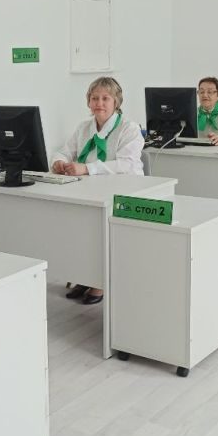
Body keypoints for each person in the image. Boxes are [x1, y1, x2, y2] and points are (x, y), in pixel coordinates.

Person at [51, 76, 143, 305]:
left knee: (101, 230)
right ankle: (85, 276)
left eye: (105, 98)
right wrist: (58, 161)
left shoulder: (129, 128)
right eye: (94, 98)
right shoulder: (84, 127)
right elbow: (65, 151)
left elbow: (126, 164)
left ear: (116, 102)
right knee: (79, 229)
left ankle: (100, 282)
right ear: (88, 102)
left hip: (124, 192)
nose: (99, 103)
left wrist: (87, 168)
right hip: (90, 190)